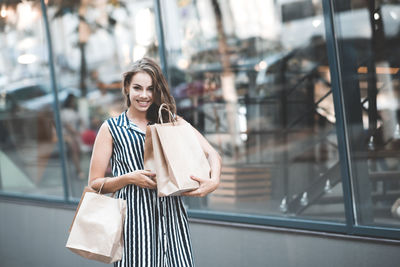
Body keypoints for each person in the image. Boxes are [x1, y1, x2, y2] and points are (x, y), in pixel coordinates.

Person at [88, 57, 221, 267]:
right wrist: (128, 178)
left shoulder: (170, 121)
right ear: (126, 88)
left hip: (172, 220)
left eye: (150, 89)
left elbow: (212, 154)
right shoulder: (111, 128)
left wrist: (213, 181)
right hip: (134, 224)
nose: (144, 95)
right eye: (137, 88)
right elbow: (94, 183)